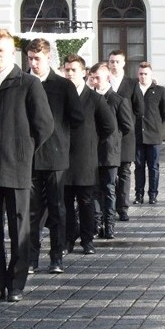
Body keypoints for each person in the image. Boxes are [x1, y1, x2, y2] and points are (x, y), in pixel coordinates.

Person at [0, 29, 54, 304]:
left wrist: (24, 151)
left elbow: (44, 125)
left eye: (1, 50)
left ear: (12, 52)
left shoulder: (28, 83)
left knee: (20, 228)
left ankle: (17, 283)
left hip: (17, 167)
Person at [27, 39, 84, 274]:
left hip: (55, 156)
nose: (33, 63)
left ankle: (56, 257)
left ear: (48, 58)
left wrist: (61, 134)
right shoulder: (23, 82)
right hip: (29, 157)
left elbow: (77, 118)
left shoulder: (63, 86)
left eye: (37, 58)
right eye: (29, 58)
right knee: (32, 211)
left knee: (57, 208)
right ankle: (30, 258)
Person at [61, 56, 115, 256]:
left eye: (74, 70)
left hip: (85, 159)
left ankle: (87, 239)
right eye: (67, 70)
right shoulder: (60, 95)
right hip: (63, 159)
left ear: (84, 73)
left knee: (86, 202)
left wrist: (92, 141)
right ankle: (68, 239)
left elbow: (109, 126)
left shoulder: (94, 99)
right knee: (65, 203)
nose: (69, 73)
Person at [91, 63, 133, 240]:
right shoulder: (90, 98)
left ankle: (109, 225)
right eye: (91, 78)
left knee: (108, 189)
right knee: (94, 190)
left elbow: (127, 126)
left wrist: (114, 139)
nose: (94, 81)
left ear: (107, 78)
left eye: (97, 78)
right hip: (91, 152)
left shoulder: (117, 100)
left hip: (109, 152)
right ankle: (95, 224)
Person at [107, 50, 143, 222]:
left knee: (124, 172)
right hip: (107, 135)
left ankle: (123, 207)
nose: (113, 65)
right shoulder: (104, 81)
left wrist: (128, 122)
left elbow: (139, 108)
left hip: (126, 136)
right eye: (111, 61)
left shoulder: (131, 83)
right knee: (108, 174)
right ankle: (109, 206)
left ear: (123, 64)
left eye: (117, 62)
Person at [134, 62, 165, 205]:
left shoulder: (159, 90)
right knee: (138, 167)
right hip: (137, 135)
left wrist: (155, 123)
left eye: (145, 74)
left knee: (153, 166)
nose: (143, 76)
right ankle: (138, 194)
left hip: (153, 135)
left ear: (151, 75)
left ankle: (153, 194)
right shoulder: (134, 90)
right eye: (141, 74)